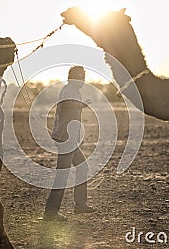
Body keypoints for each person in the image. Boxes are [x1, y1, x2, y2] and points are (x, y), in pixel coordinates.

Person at [43, 65, 96, 221]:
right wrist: (82, 105)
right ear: (71, 78)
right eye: (79, 77)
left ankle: (80, 205)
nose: (81, 81)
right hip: (65, 139)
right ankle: (50, 213)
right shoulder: (68, 90)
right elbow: (66, 104)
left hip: (70, 140)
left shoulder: (75, 90)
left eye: (82, 78)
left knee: (82, 166)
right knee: (62, 176)